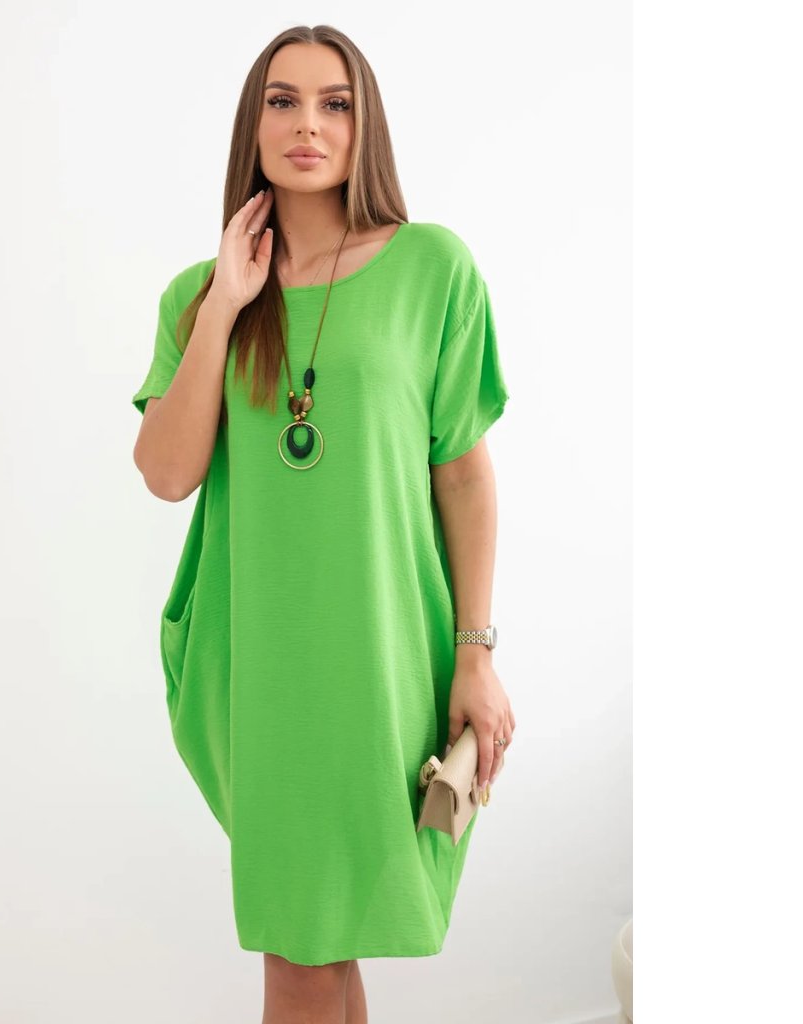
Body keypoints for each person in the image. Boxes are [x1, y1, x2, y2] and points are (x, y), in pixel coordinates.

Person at [132, 24, 516, 1024]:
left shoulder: (431, 268)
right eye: (284, 101)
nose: (309, 123)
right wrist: (227, 304)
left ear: (363, 125)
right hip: (263, 671)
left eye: (334, 103)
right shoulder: (196, 297)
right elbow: (166, 473)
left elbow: (464, 479)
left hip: (386, 661)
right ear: (253, 125)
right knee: (308, 950)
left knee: (319, 949)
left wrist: (475, 654)